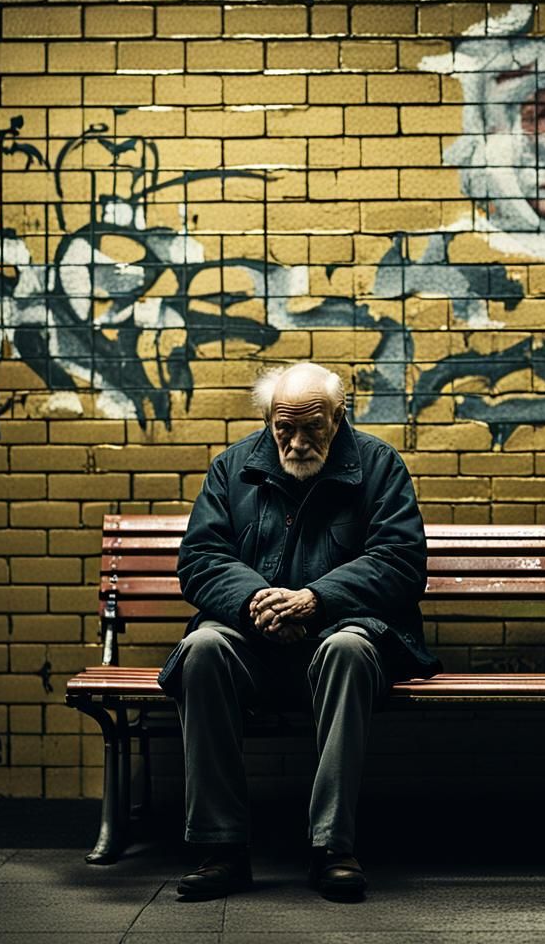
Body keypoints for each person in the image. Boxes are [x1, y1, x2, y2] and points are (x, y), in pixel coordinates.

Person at [157, 361, 440, 900]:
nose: (296, 440)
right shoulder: (231, 468)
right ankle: (222, 848)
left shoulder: (379, 465)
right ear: (268, 419)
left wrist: (315, 600)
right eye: (283, 427)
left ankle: (332, 846)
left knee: (349, 648)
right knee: (201, 648)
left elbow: (401, 560)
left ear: (338, 417)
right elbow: (201, 559)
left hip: (342, 636)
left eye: (312, 426)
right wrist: (255, 601)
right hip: (254, 640)